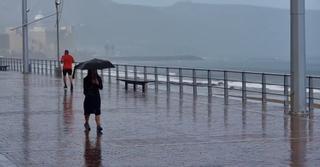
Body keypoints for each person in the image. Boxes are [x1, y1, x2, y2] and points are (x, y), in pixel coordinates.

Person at [83, 69, 103, 133]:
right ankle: (86, 123)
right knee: (87, 112)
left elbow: (101, 87)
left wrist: (97, 83)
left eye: (94, 71)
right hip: (88, 98)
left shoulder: (98, 78)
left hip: (96, 97)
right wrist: (91, 85)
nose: (93, 72)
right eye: (92, 71)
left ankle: (98, 126)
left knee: (97, 112)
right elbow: (85, 92)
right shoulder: (86, 79)